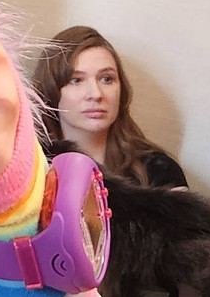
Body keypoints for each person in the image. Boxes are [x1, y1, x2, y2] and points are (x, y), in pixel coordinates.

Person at [33, 26, 188, 187]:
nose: (96, 94)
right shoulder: (30, 172)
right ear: (50, 90)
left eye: (106, 79)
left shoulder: (160, 170)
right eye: (76, 80)